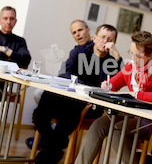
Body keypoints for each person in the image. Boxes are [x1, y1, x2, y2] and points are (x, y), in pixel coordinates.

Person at [75, 31, 152, 164]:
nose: (132, 58)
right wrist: (107, 85)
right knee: (98, 125)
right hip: (133, 116)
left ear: (151, 55)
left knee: (117, 132)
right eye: (131, 53)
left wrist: (137, 95)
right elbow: (114, 83)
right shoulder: (131, 66)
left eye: (137, 55)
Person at [33, 24, 123, 164]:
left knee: (69, 113)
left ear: (114, 43)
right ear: (94, 38)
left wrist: (116, 55)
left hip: (89, 105)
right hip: (70, 97)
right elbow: (68, 72)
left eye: (110, 39)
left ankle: (49, 154)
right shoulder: (79, 51)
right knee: (41, 109)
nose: (105, 41)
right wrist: (83, 87)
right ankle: (56, 147)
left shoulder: (111, 62)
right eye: (103, 37)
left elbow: (117, 81)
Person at [25, 19, 93, 149]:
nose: (77, 34)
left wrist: (75, 80)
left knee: (47, 102)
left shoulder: (94, 51)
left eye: (80, 30)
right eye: (74, 32)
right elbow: (66, 72)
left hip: (81, 97)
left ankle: (48, 139)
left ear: (88, 31)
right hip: (69, 90)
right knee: (40, 95)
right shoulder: (76, 51)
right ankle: (55, 138)